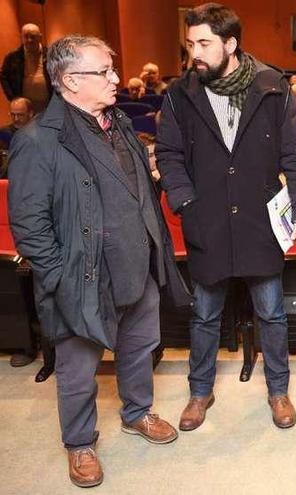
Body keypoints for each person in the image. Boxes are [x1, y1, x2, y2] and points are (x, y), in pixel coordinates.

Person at [7, 34, 190, 488]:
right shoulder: (37, 140)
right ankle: (80, 443)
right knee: (77, 368)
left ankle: (137, 413)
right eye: (104, 72)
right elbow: (29, 225)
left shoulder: (119, 123)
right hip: (81, 276)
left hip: (138, 263)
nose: (115, 79)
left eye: (112, 70)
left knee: (139, 348)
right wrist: (59, 276)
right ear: (70, 80)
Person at [156, 3, 296, 432]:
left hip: (260, 220)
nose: (196, 53)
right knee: (204, 314)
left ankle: (278, 391)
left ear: (230, 43)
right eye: (191, 44)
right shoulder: (179, 93)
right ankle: (199, 391)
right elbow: (168, 154)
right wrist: (186, 201)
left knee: (272, 314)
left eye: (204, 43)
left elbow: (295, 155)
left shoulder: (271, 86)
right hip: (206, 220)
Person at [1, 23, 51, 112]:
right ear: (21, 37)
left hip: (49, 104)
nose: (29, 40)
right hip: (25, 109)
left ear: (40, 37)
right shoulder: (12, 57)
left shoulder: (51, 55)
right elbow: (3, 77)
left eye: (33, 36)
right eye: (26, 36)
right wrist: (13, 98)